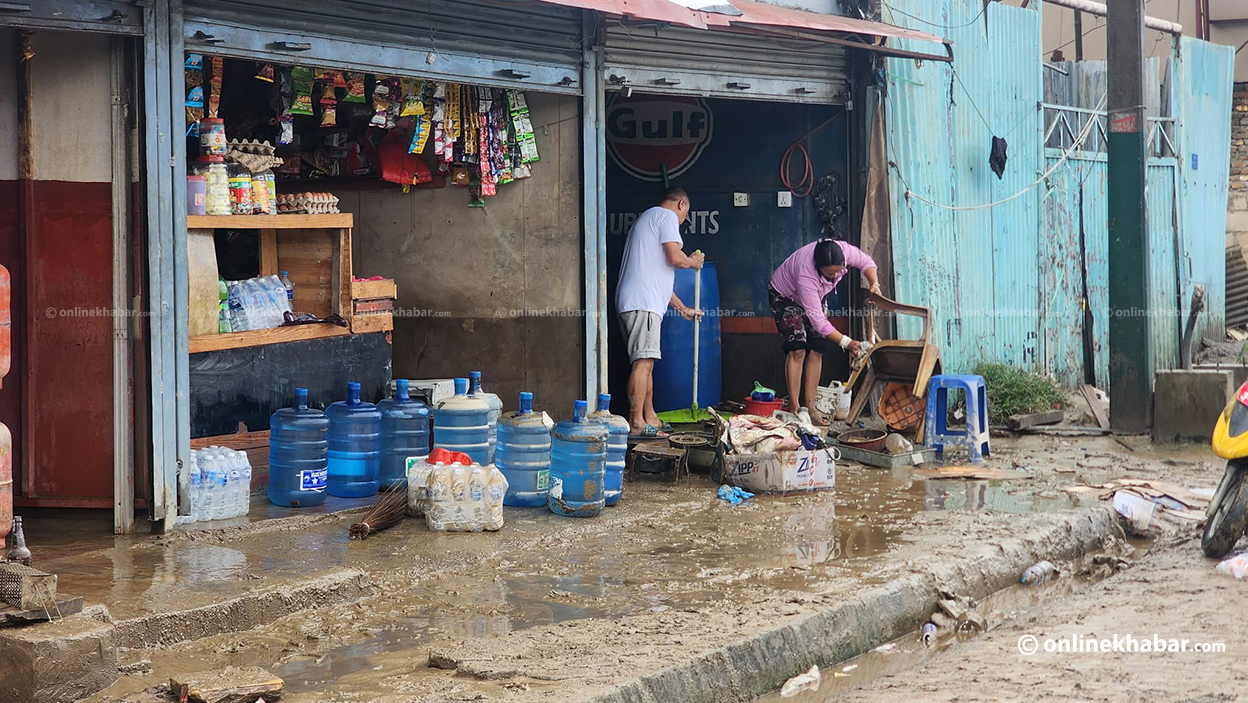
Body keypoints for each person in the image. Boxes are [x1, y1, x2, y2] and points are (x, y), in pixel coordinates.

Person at [616, 187, 705, 436]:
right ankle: (636, 422)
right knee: (643, 363)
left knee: (647, 363)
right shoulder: (665, 217)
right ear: (681, 205)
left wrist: (682, 308)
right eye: (684, 215)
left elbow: (659, 280)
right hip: (642, 304)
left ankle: (650, 417)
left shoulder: (648, 219)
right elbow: (675, 258)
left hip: (640, 301)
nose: (682, 221)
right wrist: (692, 262)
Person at [769, 238, 880, 425]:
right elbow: (819, 322)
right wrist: (847, 342)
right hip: (785, 296)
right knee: (798, 348)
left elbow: (866, 262)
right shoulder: (806, 274)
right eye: (831, 273)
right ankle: (796, 410)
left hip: (815, 295)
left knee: (818, 346)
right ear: (818, 267)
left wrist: (874, 283)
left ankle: (810, 410)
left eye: (839, 271)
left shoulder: (843, 250)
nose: (836, 276)